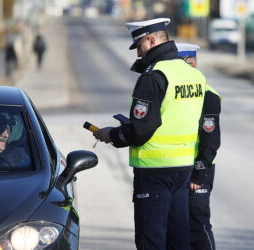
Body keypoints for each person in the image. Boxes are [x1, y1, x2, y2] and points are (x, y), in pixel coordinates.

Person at [93, 18, 207, 249]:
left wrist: (112, 135)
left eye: (140, 46)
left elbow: (141, 129)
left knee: (151, 240)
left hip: (154, 171)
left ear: (151, 40)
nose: (139, 54)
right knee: (179, 238)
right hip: (183, 167)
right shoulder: (193, 75)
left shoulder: (154, 75)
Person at [177, 43, 221, 250]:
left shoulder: (207, 94)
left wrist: (199, 173)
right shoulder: (179, 90)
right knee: (177, 226)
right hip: (177, 165)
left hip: (197, 168)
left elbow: (211, 139)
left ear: (192, 63)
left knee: (198, 224)